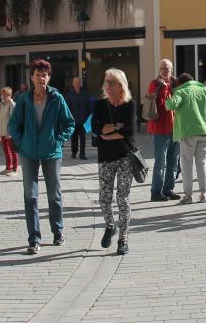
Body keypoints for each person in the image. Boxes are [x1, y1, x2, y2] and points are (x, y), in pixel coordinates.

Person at [9, 59, 75, 255]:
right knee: (30, 197)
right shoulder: (23, 99)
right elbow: (13, 125)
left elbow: (69, 123)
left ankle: (58, 231)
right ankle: (34, 238)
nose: (41, 78)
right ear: (32, 77)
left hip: (51, 152)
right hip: (29, 153)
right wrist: (21, 142)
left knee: (54, 195)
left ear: (49, 77)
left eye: (44, 75)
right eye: (38, 75)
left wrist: (58, 140)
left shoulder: (56, 98)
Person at [93, 69, 137, 255]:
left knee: (122, 198)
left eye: (112, 82)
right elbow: (96, 129)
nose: (107, 85)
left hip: (125, 156)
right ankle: (110, 225)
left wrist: (107, 131)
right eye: (106, 82)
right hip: (105, 157)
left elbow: (130, 131)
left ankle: (123, 237)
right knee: (104, 198)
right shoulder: (100, 105)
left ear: (121, 85)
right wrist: (115, 128)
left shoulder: (130, 104)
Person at [166, 73, 206, 204]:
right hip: (205, 132)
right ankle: (203, 194)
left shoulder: (181, 91)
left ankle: (188, 196)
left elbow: (170, 105)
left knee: (186, 164)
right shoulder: (203, 89)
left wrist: (169, 96)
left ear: (180, 83)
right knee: (201, 163)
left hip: (188, 132)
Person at [147, 59, 181, 202]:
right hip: (160, 128)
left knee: (173, 160)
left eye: (167, 68)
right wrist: (164, 89)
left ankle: (168, 189)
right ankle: (156, 192)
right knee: (161, 162)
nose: (164, 71)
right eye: (162, 68)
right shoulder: (155, 84)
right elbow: (159, 104)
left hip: (176, 128)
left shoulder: (176, 83)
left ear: (171, 69)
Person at [65, 76, 92, 160]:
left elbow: (88, 107)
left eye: (79, 82)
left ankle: (82, 154)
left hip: (83, 120)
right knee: (74, 137)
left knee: (83, 138)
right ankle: (74, 152)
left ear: (80, 84)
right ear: (73, 84)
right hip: (73, 121)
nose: (77, 84)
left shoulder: (85, 94)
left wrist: (88, 117)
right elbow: (66, 108)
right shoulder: (69, 95)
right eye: (76, 82)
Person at [0, 87, 18, 175]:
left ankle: (14, 168)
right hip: (3, 131)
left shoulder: (12, 104)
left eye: (6, 95)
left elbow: (13, 119)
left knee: (12, 150)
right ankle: (8, 167)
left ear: (10, 95)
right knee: (6, 151)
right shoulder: (2, 104)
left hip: (10, 132)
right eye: (2, 94)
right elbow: (1, 119)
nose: (3, 96)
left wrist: (10, 132)